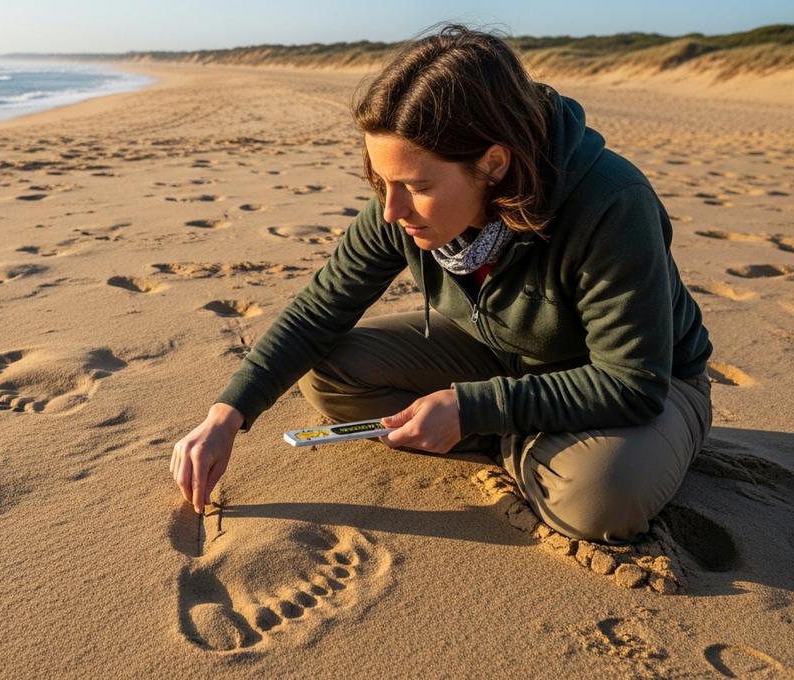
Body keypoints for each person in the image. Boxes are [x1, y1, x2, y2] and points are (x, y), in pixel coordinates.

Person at [169, 24, 714, 545]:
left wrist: (474, 408)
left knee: (599, 501)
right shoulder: (401, 207)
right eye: (380, 182)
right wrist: (226, 415)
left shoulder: (611, 202)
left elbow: (632, 383)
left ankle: (533, 437)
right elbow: (319, 310)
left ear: (494, 163)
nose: (391, 209)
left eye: (416, 185)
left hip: (651, 384)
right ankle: (526, 436)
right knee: (330, 375)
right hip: (503, 353)